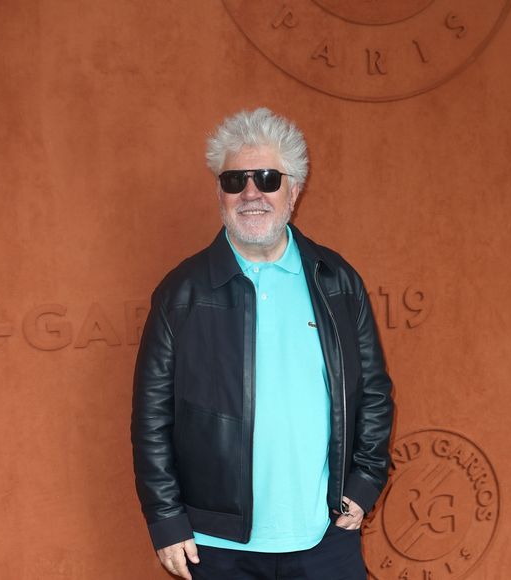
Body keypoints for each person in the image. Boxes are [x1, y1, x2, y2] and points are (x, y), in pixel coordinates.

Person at [131, 108, 394, 579]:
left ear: (294, 191)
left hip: (324, 536)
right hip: (216, 546)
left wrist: (365, 481)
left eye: (268, 178)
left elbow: (373, 391)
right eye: (235, 180)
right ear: (220, 193)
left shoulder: (337, 281)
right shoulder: (181, 293)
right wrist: (166, 518)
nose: (251, 193)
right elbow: (152, 417)